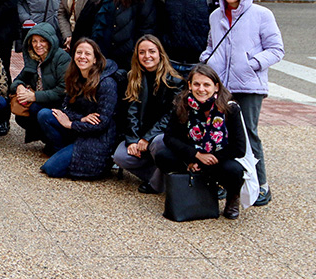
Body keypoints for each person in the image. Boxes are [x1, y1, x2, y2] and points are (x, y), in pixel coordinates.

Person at [201, 0, 283, 207]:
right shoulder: (216, 15)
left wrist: (252, 64)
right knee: (220, 134)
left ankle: (262, 185)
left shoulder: (261, 14)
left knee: (248, 134)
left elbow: (276, 49)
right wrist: (207, 59)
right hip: (221, 86)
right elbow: (210, 44)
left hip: (248, 86)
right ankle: (229, 183)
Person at [154, 64, 249, 219]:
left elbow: (239, 148)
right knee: (163, 156)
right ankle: (188, 187)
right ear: (190, 85)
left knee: (235, 170)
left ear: (216, 87)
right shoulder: (182, 104)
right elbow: (170, 137)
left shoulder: (230, 108)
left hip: (218, 158)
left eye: (207, 85)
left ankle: (232, 198)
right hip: (193, 156)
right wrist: (194, 156)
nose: (201, 89)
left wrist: (209, 158)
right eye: (197, 84)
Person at [36, 38, 118, 179]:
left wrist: (71, 124)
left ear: (95, 59)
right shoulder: (74, 76)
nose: (82, 57)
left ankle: (82, 160)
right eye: (79, 53)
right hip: (78, 129)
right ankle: (62, 151)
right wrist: (80, 118)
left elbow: (101, 124)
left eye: (87, 54)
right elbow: (65, 108)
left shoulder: (107, 83)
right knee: (45, 115)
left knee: (51, 169)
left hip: (96, 138)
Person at [114, 35, 181, 193]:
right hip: (141, 137)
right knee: (120, 156)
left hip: (160, 137)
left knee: (158, 143)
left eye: (151, 51)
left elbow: (171, 116)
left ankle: (156, 185)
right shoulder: (133, 78)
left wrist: (147, 138)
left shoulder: (175, 82)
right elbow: (131, 113)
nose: (147, 56)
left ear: (160, 54)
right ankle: (162, 177)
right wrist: (132, 139)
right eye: (142, 52)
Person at [9, 22, 70, 144]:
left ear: (50, 41)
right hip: (41, 101)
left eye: (42, 41)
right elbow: (17, 81)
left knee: (37, 110)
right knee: (21, 115)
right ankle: (46, 138)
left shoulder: (61, 58)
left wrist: (34, 96)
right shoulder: (34, 58)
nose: (38, 45)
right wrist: (19, 87)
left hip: (60, 105)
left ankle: (58, 144)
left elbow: (63, 90)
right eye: (34, 41)